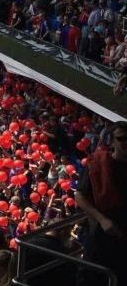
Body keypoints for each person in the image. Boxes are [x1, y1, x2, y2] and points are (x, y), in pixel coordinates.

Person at [76, 120, 127, 285]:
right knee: (92, 277)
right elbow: (80, 196)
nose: (126, 142)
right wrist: (102, 219)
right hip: (102, 235)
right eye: (121, 138)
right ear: (112, 142)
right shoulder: (96, 165)